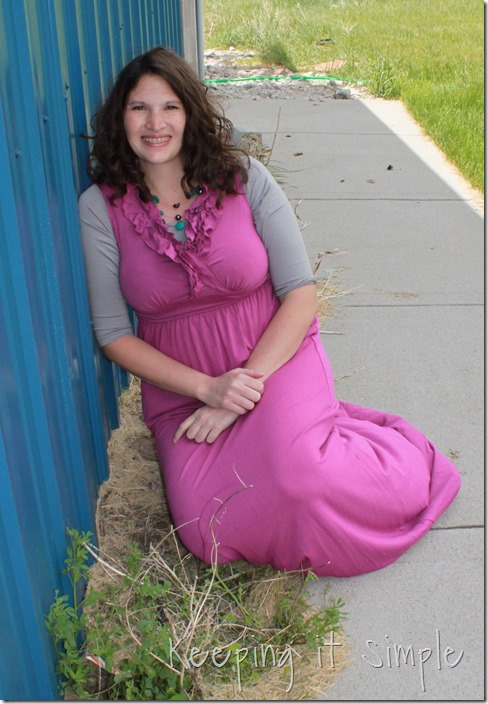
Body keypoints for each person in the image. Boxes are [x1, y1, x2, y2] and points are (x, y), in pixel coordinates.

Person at [79, 47, 460, 578]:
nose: (155, 124)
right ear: (121, 118)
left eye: (169, 107)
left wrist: (239, 393)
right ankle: (315, 427)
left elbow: (300, 293)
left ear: (190, 113)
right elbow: (114, 335)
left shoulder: (244, 179)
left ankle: (393, 461)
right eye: (139, 108)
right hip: (184, 387)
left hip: (275, 358)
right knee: (206, 531)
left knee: (300, 483)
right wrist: (209, 390)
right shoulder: (101, 208)